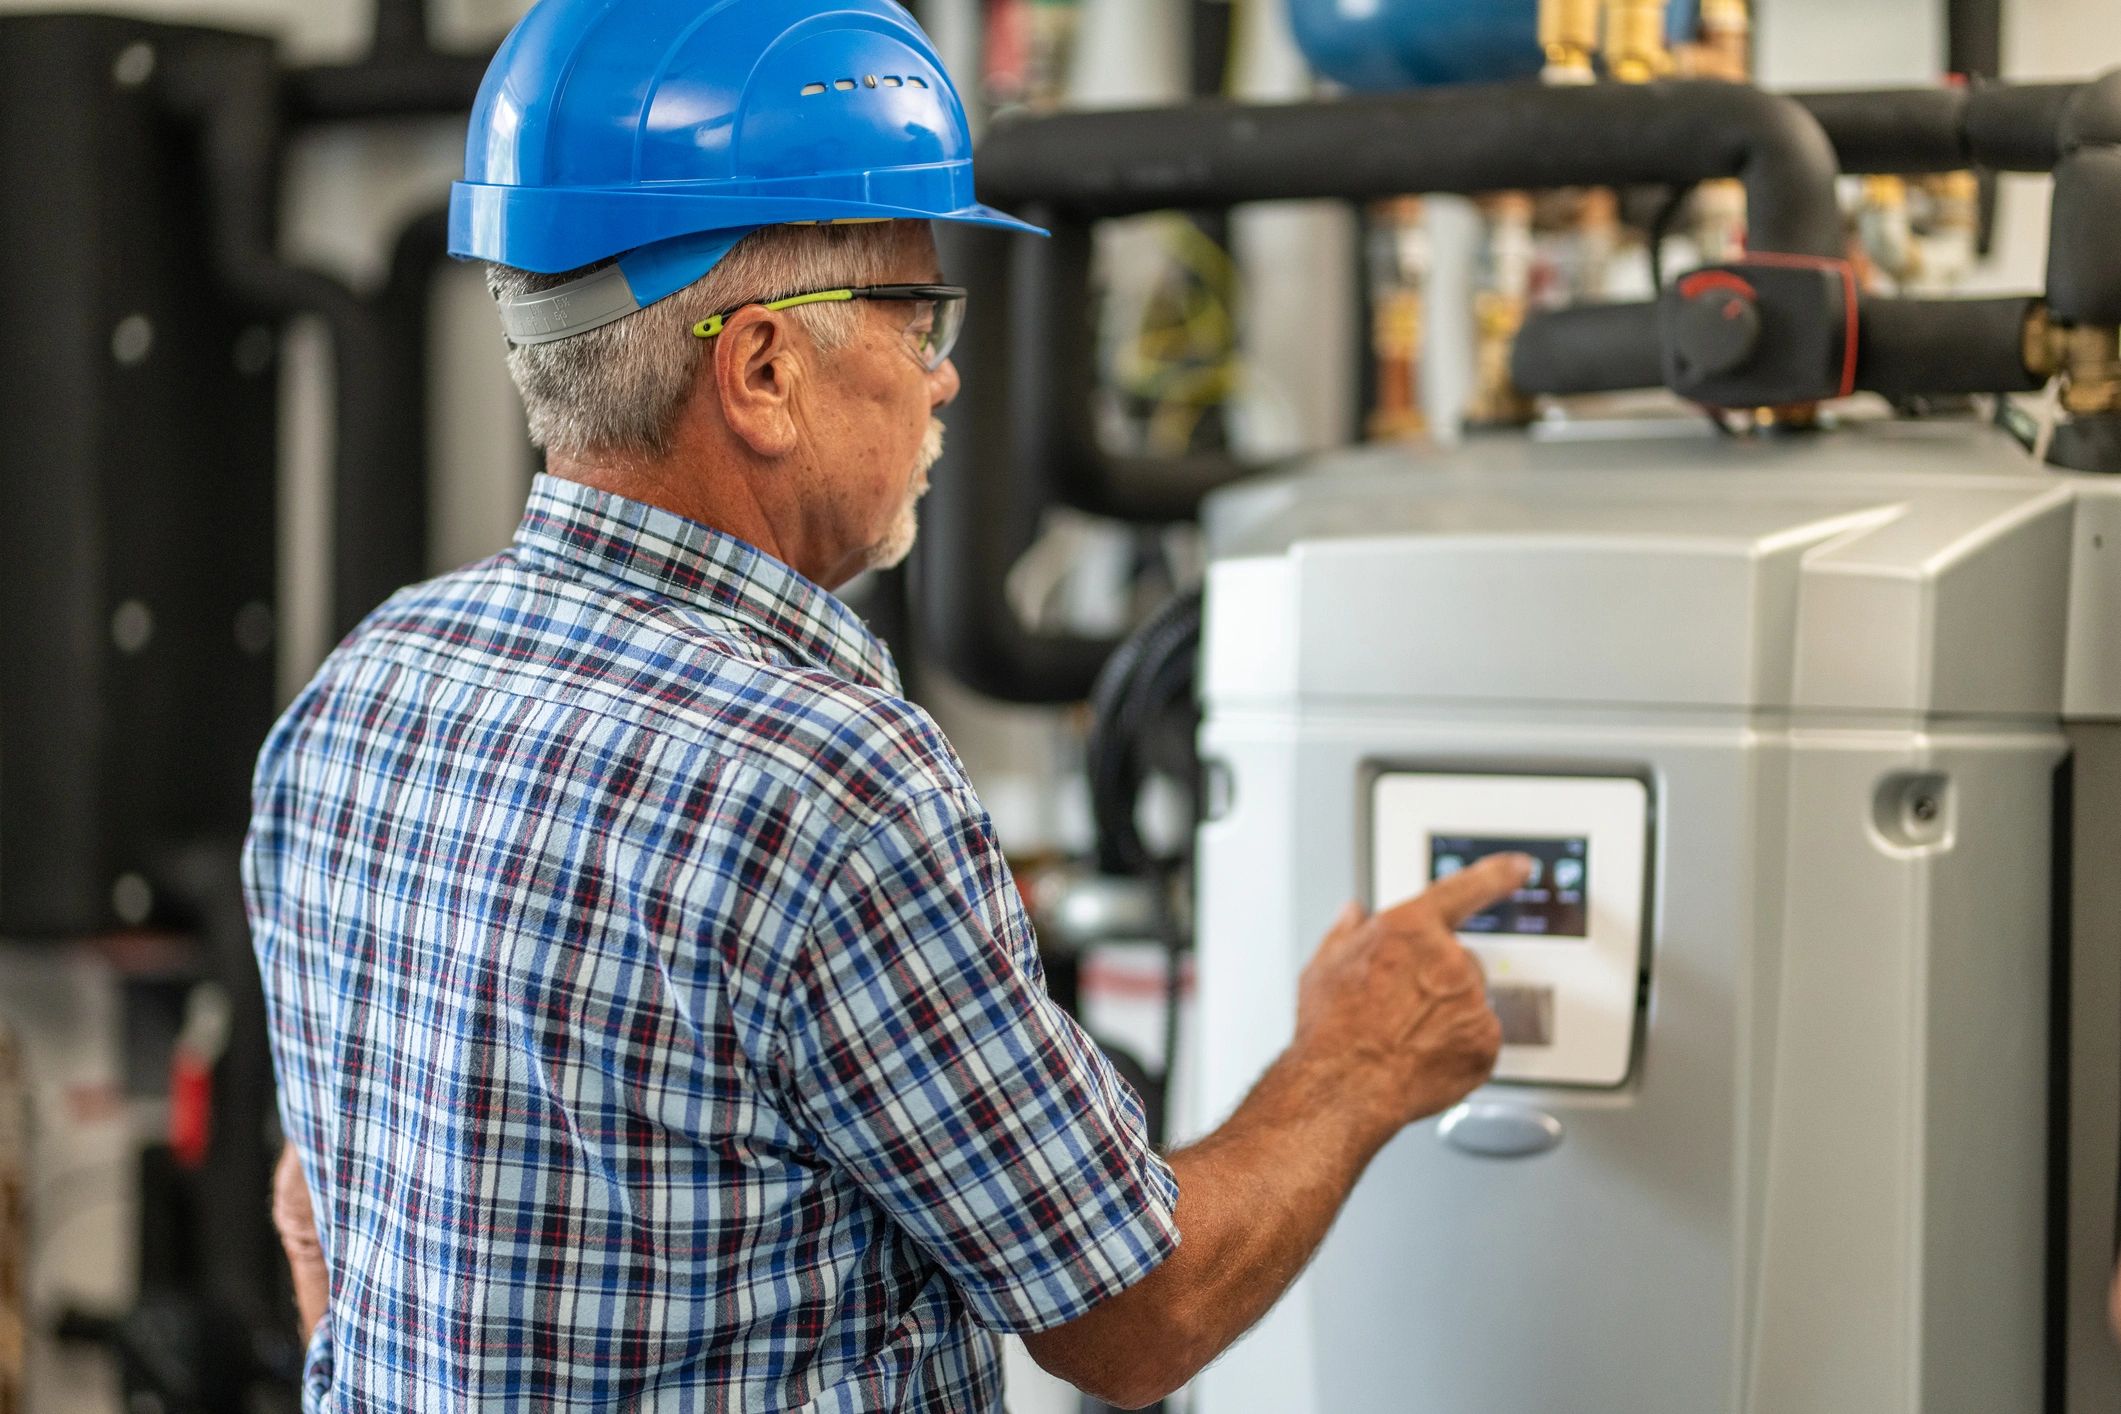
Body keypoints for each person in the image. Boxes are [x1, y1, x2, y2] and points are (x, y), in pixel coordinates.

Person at [244, 1, 1520, 1408]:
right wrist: (1357, 1056)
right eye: (916, 317)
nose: (945, 373)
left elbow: (319, 1203)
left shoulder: (365, 689)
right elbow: (1134, 1313)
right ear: (764, 373)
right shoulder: (825, 781)